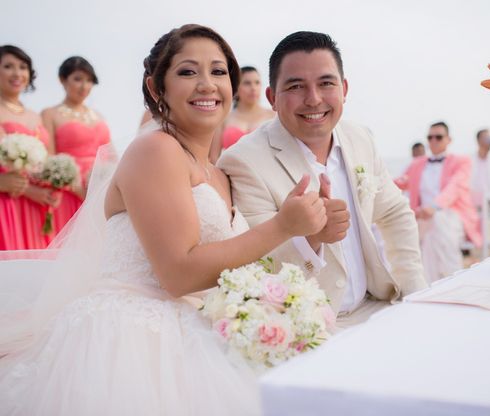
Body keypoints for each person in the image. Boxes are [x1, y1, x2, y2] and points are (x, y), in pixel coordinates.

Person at [0, 24, 328, 415]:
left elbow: (232, 262)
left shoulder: (219, 173)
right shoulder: (154, 150)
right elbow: (178, 273)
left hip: (198, 328)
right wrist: (281, 226)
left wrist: (312, 233)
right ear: (157, 89)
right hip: (129, 343)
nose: (207, 84)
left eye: (219, 72)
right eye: (188, 72)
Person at [218, 31, 426, 327]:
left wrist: (414, 295)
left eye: (326, 83)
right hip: (305, 328)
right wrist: (311, 238)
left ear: (344, 88)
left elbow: (395, 213)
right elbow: (254, 266)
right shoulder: (244, 161)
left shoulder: (360, 137)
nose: (313, 99)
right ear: (272, 98)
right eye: (295, 86)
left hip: (378, 310)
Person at [397, 122, 481, 283]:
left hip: (452, 215)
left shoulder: (461, 161)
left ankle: (448, 281)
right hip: (422, 216)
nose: (433, 140)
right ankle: (438, 283)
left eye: (438, 137)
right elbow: (401, 181)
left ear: (449, 139)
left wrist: (435, 207)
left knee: (437, 224)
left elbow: (455, 186)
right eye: (430, 137)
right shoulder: (417, 163)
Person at [0, 45, 60, 252]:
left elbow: (48, 159)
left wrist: (54, 185)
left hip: (38, 208)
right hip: (6, 204)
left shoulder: (36, 116)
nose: (17, 73)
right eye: (8, 66)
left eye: (23, 67)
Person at [41, 56, 111, 231]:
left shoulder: (99, 116)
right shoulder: (50, 114)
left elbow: (111, 155)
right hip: (68, 192)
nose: (84, 86)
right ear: (63, 80)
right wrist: (77, 188)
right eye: (78, 79)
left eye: (89, 80)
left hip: (98, 192)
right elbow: (48, 158)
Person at [209, 66, 274, 161]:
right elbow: (214, 158)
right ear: (236, 87)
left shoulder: (273, 116)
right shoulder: (223, 118)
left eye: (257, 83)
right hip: (230, 173)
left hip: (266, 174)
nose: (253, 88)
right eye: (247, 83)